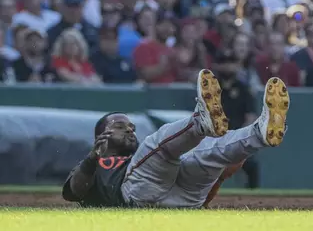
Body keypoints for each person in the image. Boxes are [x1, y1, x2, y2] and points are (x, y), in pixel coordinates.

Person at [62, 70, 290, 208]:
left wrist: (218, 178)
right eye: (120, 126)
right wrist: (92, 158)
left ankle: (259, 133)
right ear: (101, 135)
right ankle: (201, 122)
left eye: (131, 126)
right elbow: (74, 193)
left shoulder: (140, 156)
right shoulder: (92, 165)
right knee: (157, 144)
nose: (130, 130)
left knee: (206, 153)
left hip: (184, 202)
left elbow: (203, 191)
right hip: (135, 195)